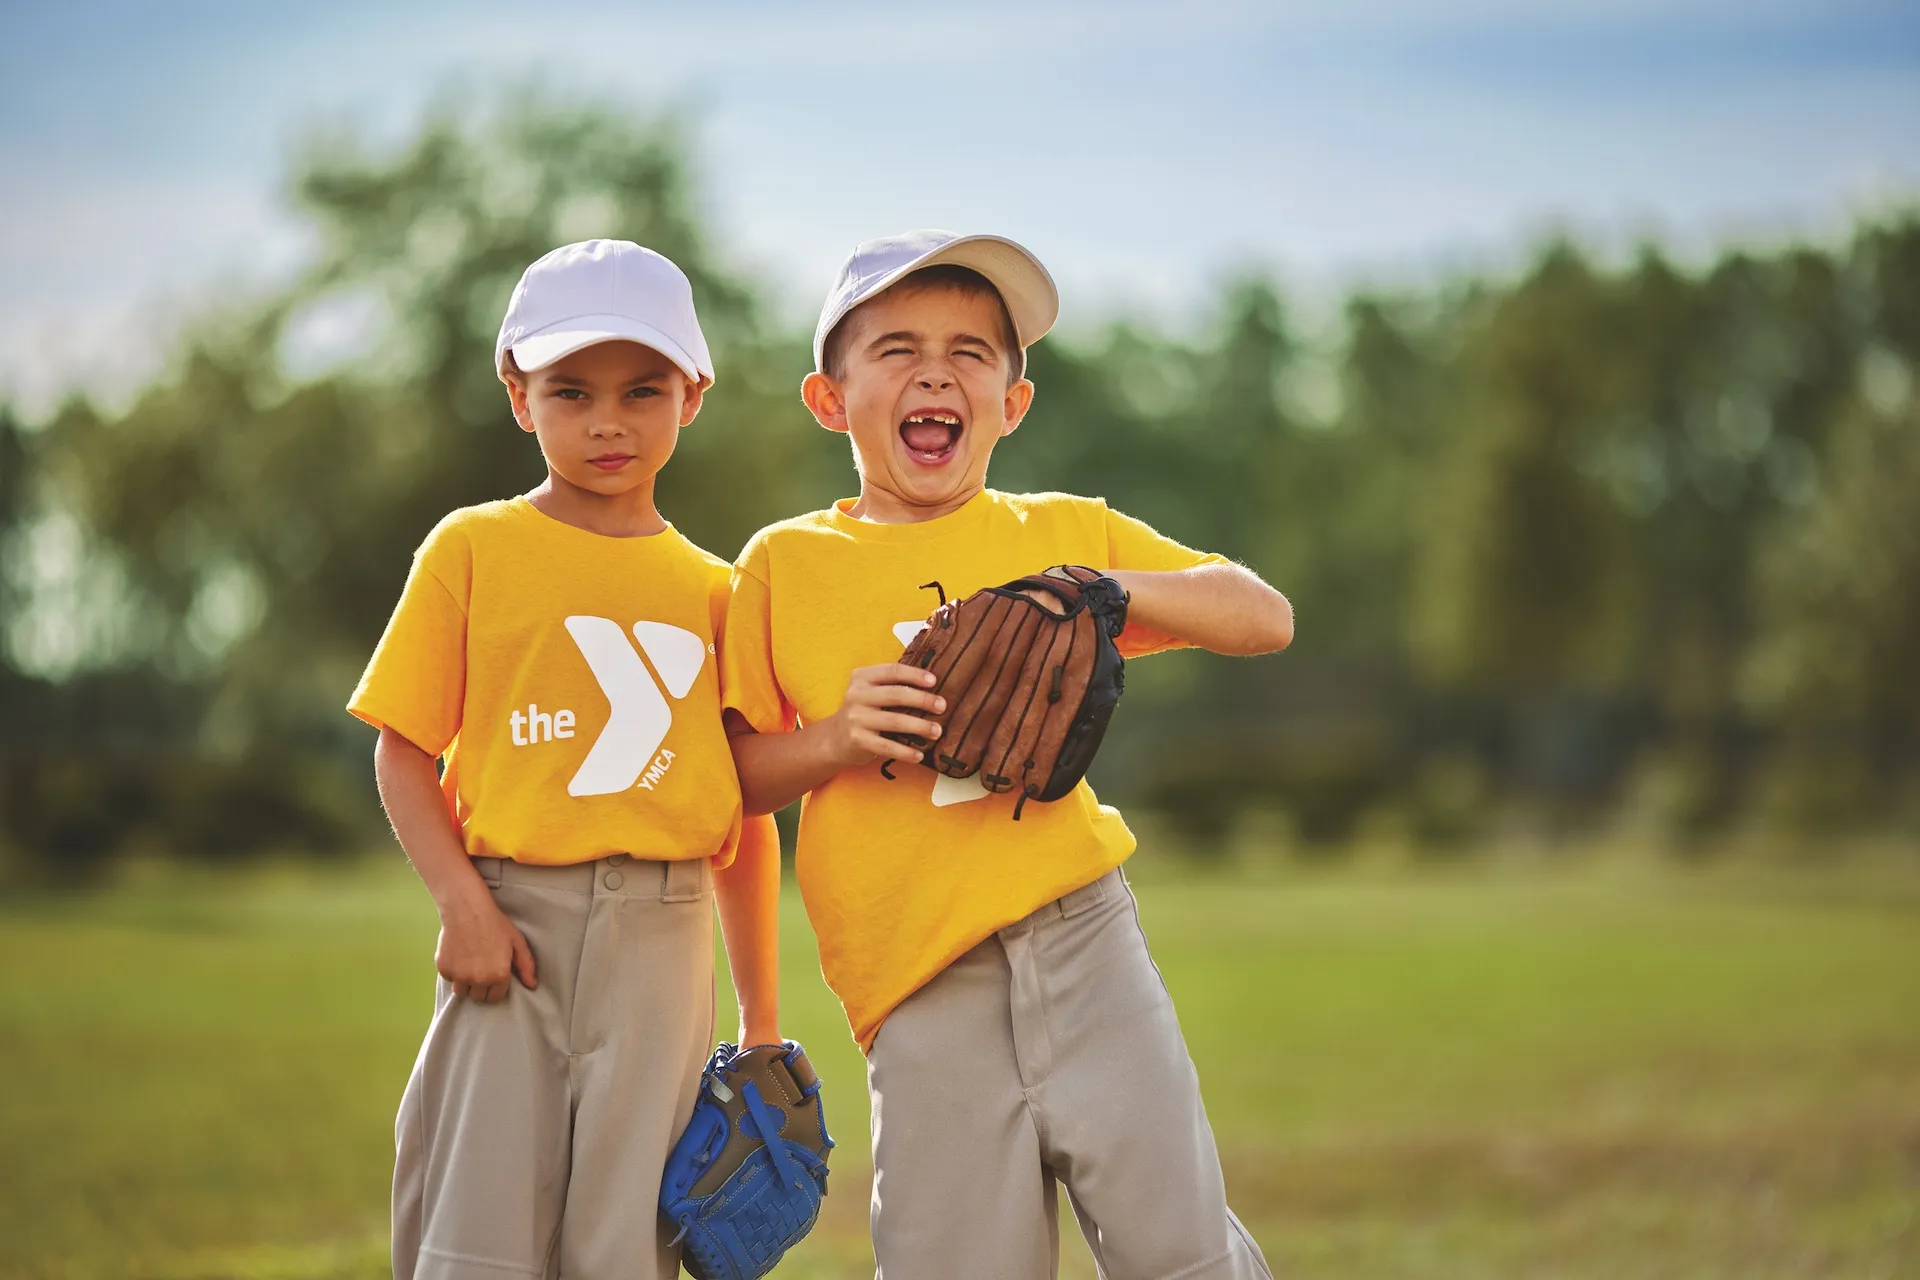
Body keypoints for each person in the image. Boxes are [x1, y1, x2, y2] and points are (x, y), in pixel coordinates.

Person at [721, 230, 1290, 1277]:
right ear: (830, 399)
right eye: (897, 349)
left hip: (1082, 939)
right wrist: (833, 739)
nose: (936, 372)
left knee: (1179, 1246)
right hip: (915, 975)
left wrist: (1105, 590)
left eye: (970, 352)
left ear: (1012, 403)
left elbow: (1263, 615)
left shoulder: (1059, 533)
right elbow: (733, 783)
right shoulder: (783, 564)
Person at [347, 239, 781, 1280]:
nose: (607, 422)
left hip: (666, 940)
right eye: (571, 391)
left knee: (626, 1239)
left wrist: (762, 1021)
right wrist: (463, 904)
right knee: (476, 1221)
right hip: (512, 929)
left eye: (643, 391)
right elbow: (403, 749)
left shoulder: (719, 591)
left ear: (694, 394)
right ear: (518, 394)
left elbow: (744, 814)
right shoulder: (472, 548)